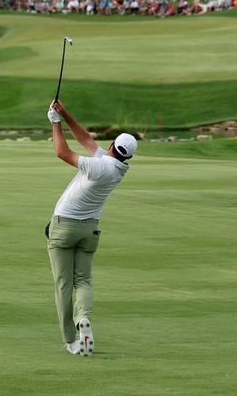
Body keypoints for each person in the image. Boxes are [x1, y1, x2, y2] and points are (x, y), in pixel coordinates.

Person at [45, 99, 138, 357]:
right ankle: (83, 319)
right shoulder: (118, 167)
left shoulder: (99, 166)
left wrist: (54, 123)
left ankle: (70, 340)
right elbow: (85, 139)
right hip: (89, 231)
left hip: (64, 226)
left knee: (63, 284)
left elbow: (62, 152)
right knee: (82, 281)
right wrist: (64, 113)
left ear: (112, 145)